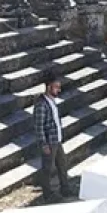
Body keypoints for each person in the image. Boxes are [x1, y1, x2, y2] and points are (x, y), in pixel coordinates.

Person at [33, 70, 74, 202]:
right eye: (56, 87)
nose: (59, 89)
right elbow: (39, 126)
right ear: (49, 87)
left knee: (62, 164)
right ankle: (48, 194)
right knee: (47, 168)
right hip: (49, 142)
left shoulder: (52, 101)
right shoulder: (41, 104)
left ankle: (65, 188)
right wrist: (43, 144)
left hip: (57, 139)